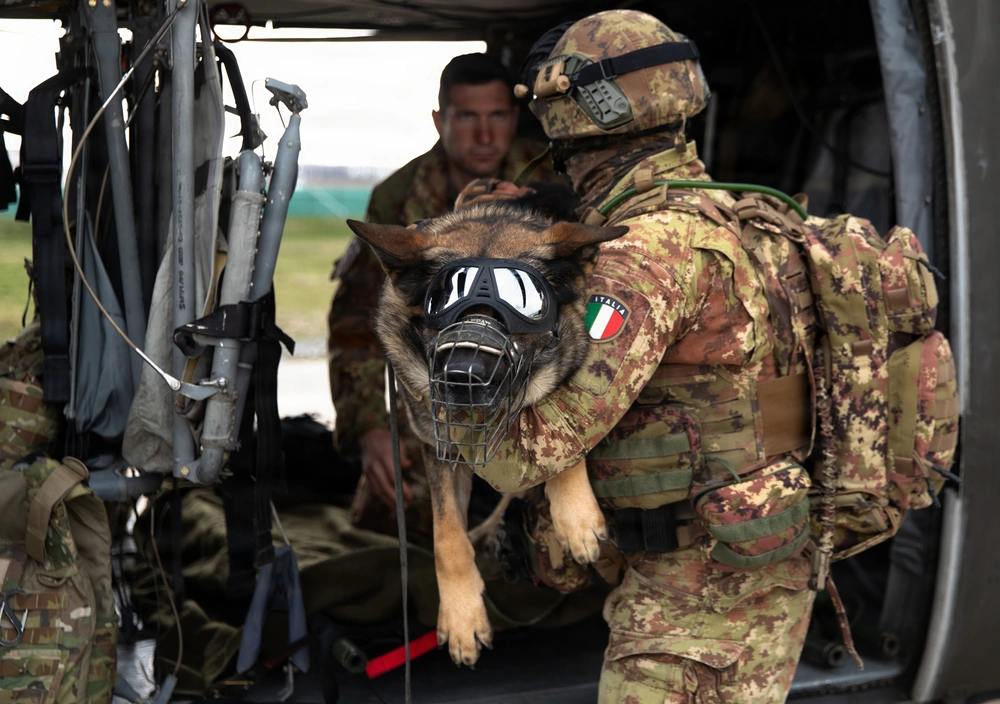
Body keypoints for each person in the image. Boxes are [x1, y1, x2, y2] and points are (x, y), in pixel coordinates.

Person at [474, 11, 820, 702]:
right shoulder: (749, 218)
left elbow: (529, 451)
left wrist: (444, 375)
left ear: (574, 117)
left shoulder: (644, 255)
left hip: (691, 604)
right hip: (761, 567)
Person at [327, 52, 559, 522]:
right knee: (392, 506)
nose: (484, 135)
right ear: (439, 120)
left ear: (514, 118)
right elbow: (356, 323)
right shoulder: (399, 197)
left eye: (496, 116)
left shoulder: (549, 182)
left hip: (535, 390)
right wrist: (373, 428)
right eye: (467, 117)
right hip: (437, 394)